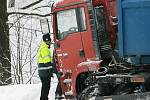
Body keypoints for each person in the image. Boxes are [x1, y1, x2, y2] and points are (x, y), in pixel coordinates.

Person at [37, 33, 53, 100]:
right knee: (46, 86)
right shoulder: (44, 48)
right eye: (49, 41)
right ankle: (43, 98)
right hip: (44, 72)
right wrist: (51, 70)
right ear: (46, 41)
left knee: (45, 86)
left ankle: (44, 98)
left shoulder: (43, 47)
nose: (50, 43)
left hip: (43, 72)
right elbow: (47, 61)